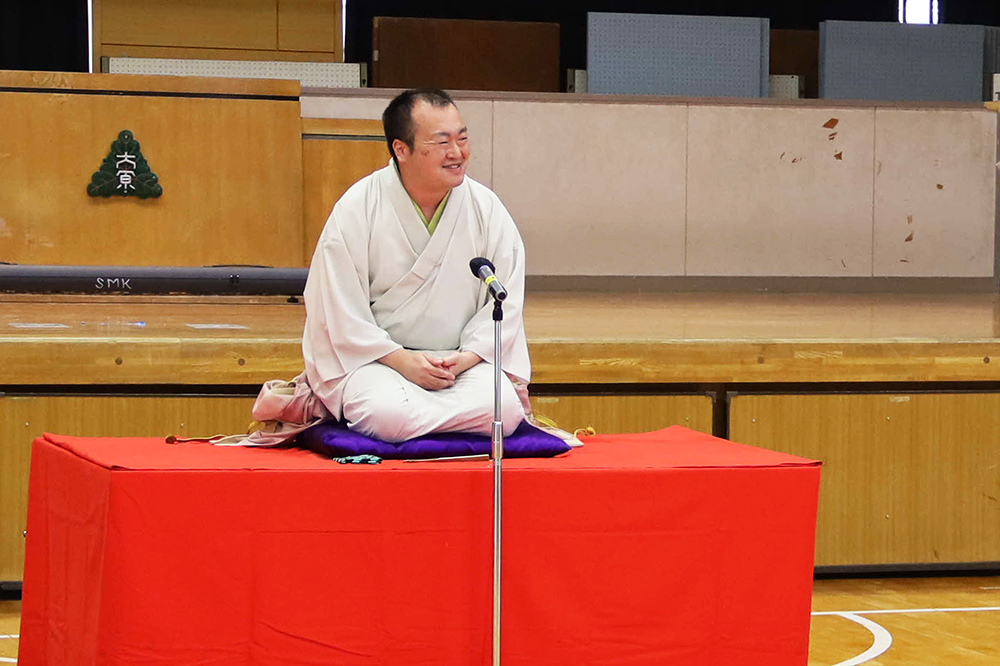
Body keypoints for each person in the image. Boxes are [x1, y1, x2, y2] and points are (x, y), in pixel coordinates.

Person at [301, 88, 531, 443]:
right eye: (442, 142)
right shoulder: (357, 209)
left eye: (462, 138)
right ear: (401, 149)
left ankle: (428, 421)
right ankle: (441, 421)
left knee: (503, 409)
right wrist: (402, 361)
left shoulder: (486, 209)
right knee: (387, 414)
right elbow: (338, 310)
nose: (457, 153)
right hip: (380, 363)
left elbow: (507, 297)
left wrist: (466, 358)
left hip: (458, 364)